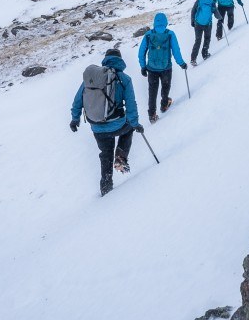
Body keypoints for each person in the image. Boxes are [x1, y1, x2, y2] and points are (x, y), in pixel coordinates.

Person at [70, 47, 143, 196]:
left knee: (105, 154)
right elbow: (131, 104)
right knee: (128, 128)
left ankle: (106, 187)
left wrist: (75, 119)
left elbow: (78, 100)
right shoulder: (124, 78)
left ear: (105, 59)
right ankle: (121, 157)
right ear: (120, 60)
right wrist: (135, 124)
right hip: (118, 125)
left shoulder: (93, 79)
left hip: (97, 127)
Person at [138, 12, 187, 123]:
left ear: (154, 23)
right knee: (165, 86)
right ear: (165, 22)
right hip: (166, 68)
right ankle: (164, 105)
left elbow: (141, 52)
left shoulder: (148, 34)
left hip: (151, 68)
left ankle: (152, 114)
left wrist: (143, 66)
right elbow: (176, 51)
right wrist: (181, 63)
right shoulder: (170, 34)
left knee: (152, 92)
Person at [189, 0, 223, 66]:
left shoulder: (198, 1)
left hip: (198, 24)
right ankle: (205, 54)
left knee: (198, 41)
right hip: (208, 24)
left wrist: (192, 21)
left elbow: (193, 11)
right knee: (207, 38)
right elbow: (216, 12)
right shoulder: (211, 2)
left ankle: (193, 59)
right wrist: (220, 18)